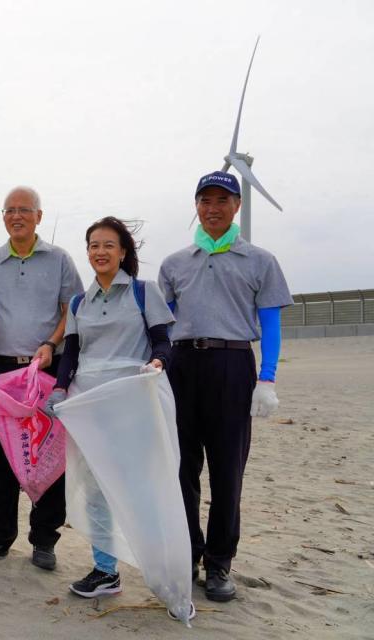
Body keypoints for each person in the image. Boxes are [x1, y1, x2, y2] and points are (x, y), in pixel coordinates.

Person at [159, 171, 292, 602]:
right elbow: (163, 323)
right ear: (196, 206)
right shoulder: (175, 263)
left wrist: (267, 377)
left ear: (237, 205)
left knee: (227, 471)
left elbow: (270, 322)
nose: (213, 208)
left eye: (222, 200)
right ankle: (187, 553)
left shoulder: (260, 261)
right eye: (205, 200)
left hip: (233, 364)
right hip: (182, 366)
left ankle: (219, 563)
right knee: (182, 470)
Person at [44, 216, 174, 598]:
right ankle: (105, 571)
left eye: (108, 245)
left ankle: (160, 571)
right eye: (93, 246)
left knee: (139, 487)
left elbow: (163, 342)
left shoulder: (142, 293)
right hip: (89, 405)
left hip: (129, 401)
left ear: (123, 252)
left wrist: (157, 363)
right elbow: (72, 353)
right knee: (96, 488)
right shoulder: (79, 302)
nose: (100, 252)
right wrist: (59, 389)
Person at [0, 186, 83, 570]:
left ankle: (45, 539)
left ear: (39, 215)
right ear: (3, 217)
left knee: (46, 454)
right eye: (10, 210)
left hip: (49, 368)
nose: (17, 216)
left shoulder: (60, 260)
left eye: (25, 210)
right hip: (1, 371)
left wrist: (51, 343)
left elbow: (73, 312)